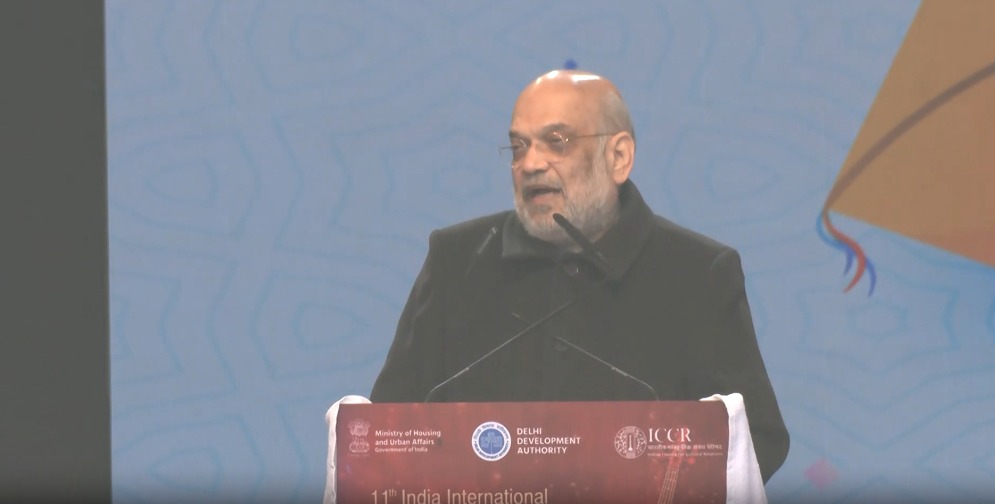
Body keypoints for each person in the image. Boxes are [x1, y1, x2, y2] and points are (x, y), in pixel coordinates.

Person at [369, 69, 789, 482]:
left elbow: (755, 442)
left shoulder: (696, 273)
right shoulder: (458, 261)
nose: (530, 164)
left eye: (557, 142)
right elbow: (387, 431)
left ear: (618, 157)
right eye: (518, 146)